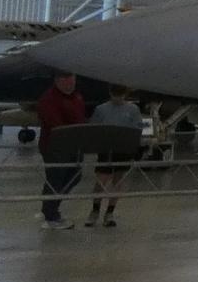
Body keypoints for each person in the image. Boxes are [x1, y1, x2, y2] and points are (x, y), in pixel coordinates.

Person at [85, 86, 142, 228]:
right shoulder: (101, 109)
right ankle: (95, 210)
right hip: (106, 149)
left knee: (118, 180)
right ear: (110, 93)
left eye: (121, 94)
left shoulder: (133, 109)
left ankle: (110, 212)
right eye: (115, 94)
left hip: (123, 150)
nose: (118, 98)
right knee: (101, 180)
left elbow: (138, 127)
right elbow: (94, 128)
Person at [35, 71, 87, 228]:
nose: (71, 83)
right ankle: (50, 214)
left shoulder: (77, 97)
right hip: (55, 147)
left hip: (75, 146)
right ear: (57, 81)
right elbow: (55, 125)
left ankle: (51, 206)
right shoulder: (49, 99)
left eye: (73, 80)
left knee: (74, 176)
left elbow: (80, 117)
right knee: (56, 178)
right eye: (67, 80)